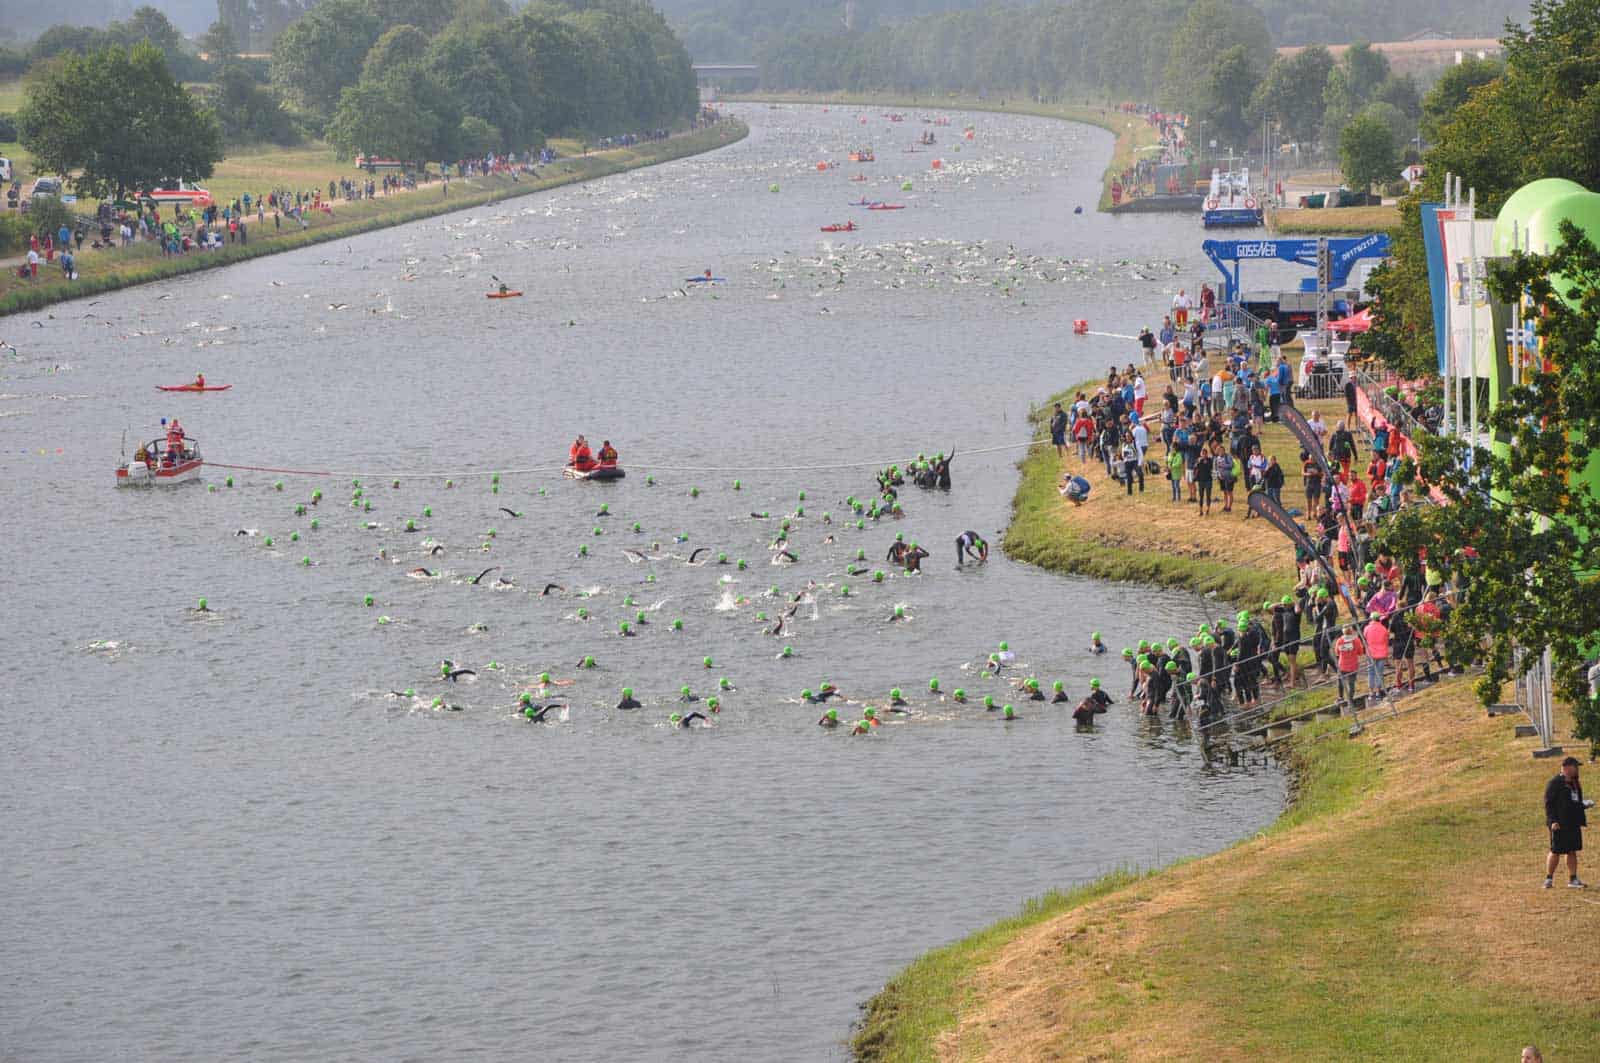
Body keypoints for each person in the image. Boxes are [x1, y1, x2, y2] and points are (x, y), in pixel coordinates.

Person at [1545, 756, 1590, 888]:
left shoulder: (1575, 782)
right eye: (1575, 767)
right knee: (1555, 851)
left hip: (1573, 823)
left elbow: (1575, 801)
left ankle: (1573, 879)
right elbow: (1549, 804)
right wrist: (1552, 821)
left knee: (1572, 850)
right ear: (1567, 768)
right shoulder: (1555, 783)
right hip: (1559, 824)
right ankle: (1548, 879)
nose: (1577, 769)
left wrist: (1583, 805)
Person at [1334, 623, 1364, 708]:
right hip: (1353, 665)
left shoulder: (1339, 641)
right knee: (1351, 684)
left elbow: (1337, 652)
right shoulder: (1356, 640)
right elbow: (1361, 652)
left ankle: (1340, 697)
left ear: (1343, 632)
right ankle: (1350, 701)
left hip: (1342, 665)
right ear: (1352, 631)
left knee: (1340, 681)